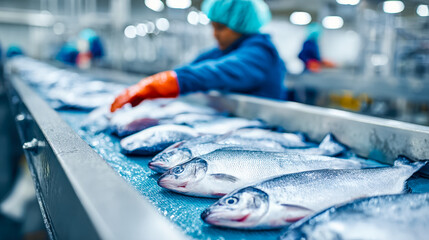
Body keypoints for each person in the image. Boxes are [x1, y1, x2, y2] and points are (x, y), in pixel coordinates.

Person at [110, 0, 287, 112]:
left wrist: (162, 84)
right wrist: (160, 83)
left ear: (241, 25)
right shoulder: (227, 49)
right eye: (213, 27)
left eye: (221, 28)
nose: (214, 34)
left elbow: (215, 72)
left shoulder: (260, 53)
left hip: (264, 128)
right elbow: (195, 67)